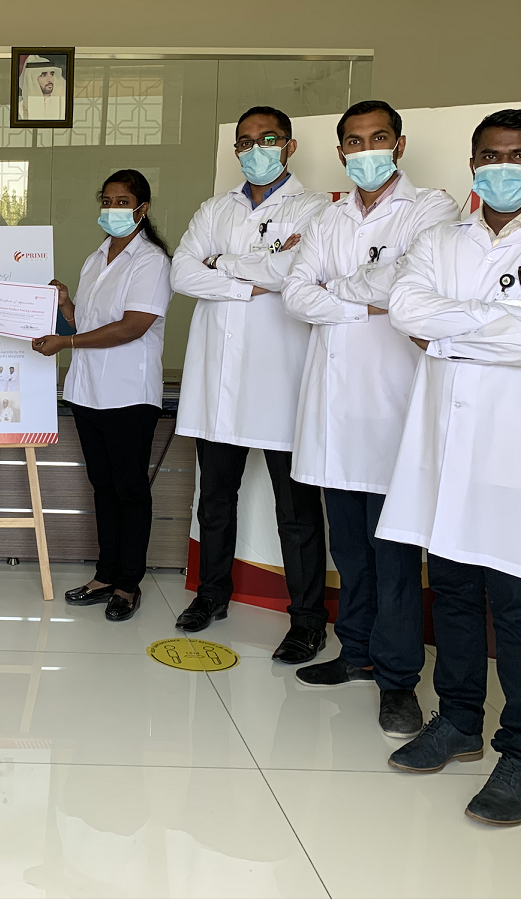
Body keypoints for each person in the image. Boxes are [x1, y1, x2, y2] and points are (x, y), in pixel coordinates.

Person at [380, 109, 521, 827]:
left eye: (519, 155)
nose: (502, 166)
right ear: (472, 162)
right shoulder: (439, 241)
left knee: (518, 611)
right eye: (490, 155)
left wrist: (448, 334)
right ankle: (457, 722)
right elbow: (405, 306)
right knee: (452, 595)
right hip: (447, 453)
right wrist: (496, 321)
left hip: (520, 455)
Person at [281, 101, 460, 736]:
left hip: (393, 410)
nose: (366, 151)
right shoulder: (328, 217)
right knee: (350, 551)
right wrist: (361, 299)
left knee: (395, 557)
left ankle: (398, 679)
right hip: (334, 414)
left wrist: (337, 291)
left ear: (399, 144)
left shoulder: (432, 210)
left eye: (378, 138)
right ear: (340, 153)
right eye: (354, 142)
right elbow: (296, 295)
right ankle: (354, 651)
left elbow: (406, 284)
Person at [169, 106, 332, 663]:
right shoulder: (215, 208)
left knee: (297, 511)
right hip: (219, 383)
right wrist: (252, 274)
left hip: (281, 381)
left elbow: (296, 272)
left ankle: (307, 620)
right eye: (245, 141)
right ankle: (211, 595)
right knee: (214, 501)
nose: (255, 148)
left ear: (289, 145)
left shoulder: (315, 208)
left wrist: (222, 263)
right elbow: (182, 273)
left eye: (268, 138)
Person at [34, 169, 173, 622]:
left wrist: (66, 342)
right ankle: (104, 575)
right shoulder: (96, 258)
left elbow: (133, 326)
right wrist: (65, 305)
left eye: (123, 202)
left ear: (142, 209)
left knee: (129, 489)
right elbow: (87, 324)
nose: (113, 209)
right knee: (103, 488)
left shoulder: (151, 260)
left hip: (129, 395)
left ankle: (128, 584)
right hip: (88, 392)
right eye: (107, 201)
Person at [18, 54, 67, 121]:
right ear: (32, 79)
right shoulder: (20, 108)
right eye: (43, 75)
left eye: (52, 74)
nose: (50, 79)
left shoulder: (62, 105)